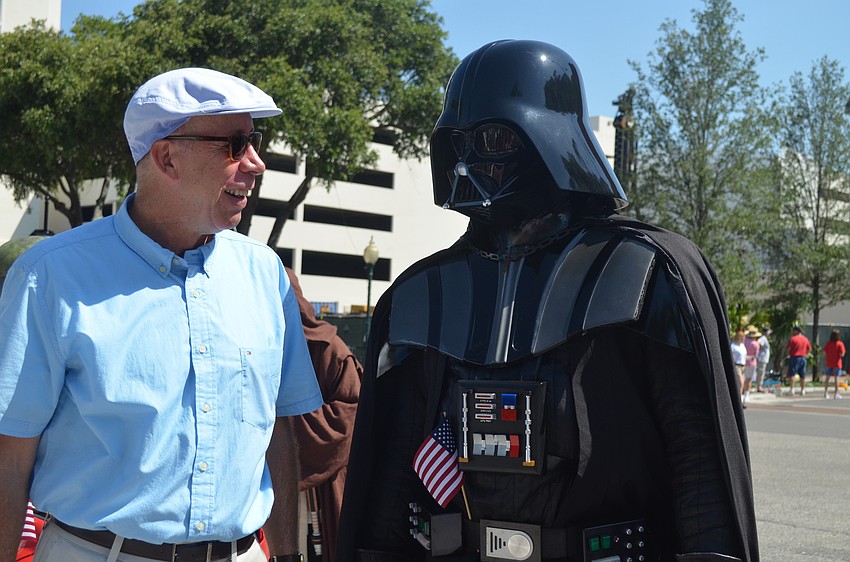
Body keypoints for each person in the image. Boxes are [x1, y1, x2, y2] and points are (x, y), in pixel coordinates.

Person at [338, 40, 758, 562]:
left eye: (492, 139)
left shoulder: (643, 274)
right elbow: (393, 467)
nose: (468, 163)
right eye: (456, 143)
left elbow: (699, 467)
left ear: (549, 140)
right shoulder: (422, 294)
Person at [0, 67, 324, 562]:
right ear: (167, 157)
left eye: (255, 141)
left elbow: (277, 429)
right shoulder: (49, 276)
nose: (256, 163)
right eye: (235, 145)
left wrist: (286, 556)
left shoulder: (266, 274)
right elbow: (11, 454)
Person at [285, 267, 362, 562]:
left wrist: (283, 426)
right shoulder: (258, 348)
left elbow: (349, 416)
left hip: (323, 485)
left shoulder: (331, 350)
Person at [786, 326, 812, 397]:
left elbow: (788, 349)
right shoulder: (805, 339)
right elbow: (809, 349)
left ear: (796, 331)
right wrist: (805, 353)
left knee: (792, 374)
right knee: (802, 375)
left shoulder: (792, 339)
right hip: (803, 357)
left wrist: (787, 355)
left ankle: (792, 389)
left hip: (794, 357)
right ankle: (802, 390)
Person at [822, 329, 845, 399]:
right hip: (837, 363)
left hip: (829, 363)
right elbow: (842, 354)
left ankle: (825, 392)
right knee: (836, 378)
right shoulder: (840, 344)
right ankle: (836, 393)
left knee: (827, 378)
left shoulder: (828, 343)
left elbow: (824, 352)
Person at [742, 327, 761, 405]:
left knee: (743, 379)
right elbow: (756, 355)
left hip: (743, 361)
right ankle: (746, 395)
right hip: (751, 362)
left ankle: (742, 393)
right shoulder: (755, 344)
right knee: (749, 379)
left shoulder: (744, 340)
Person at [732, 330, 748, 406]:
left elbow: (743, 356)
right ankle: (739, 401)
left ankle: (739, 399)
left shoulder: (742, 345)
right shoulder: (733, 346)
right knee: (740, 382)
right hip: (736, 365)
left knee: (742, 384)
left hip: (743, 366)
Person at [755, 327, 772, 392]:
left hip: (763, 359)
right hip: (761, 358)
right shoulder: (763, 338)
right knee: (761, 372)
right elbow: (758, 344)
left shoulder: (765, 339)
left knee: (762, 372)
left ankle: (759, 386)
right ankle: (759, 386)